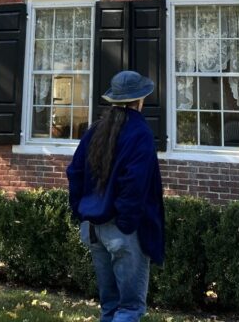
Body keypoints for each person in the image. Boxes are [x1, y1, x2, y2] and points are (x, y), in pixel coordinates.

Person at [67, 70, 165, 322]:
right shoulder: (140, 132)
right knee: (130, 308)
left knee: (110, 306)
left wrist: (81, 210)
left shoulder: (96, 129)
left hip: (93, 228)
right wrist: (126, 222)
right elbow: (134, 184)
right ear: (140, 100)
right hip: (123, 230)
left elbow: (75, 171)